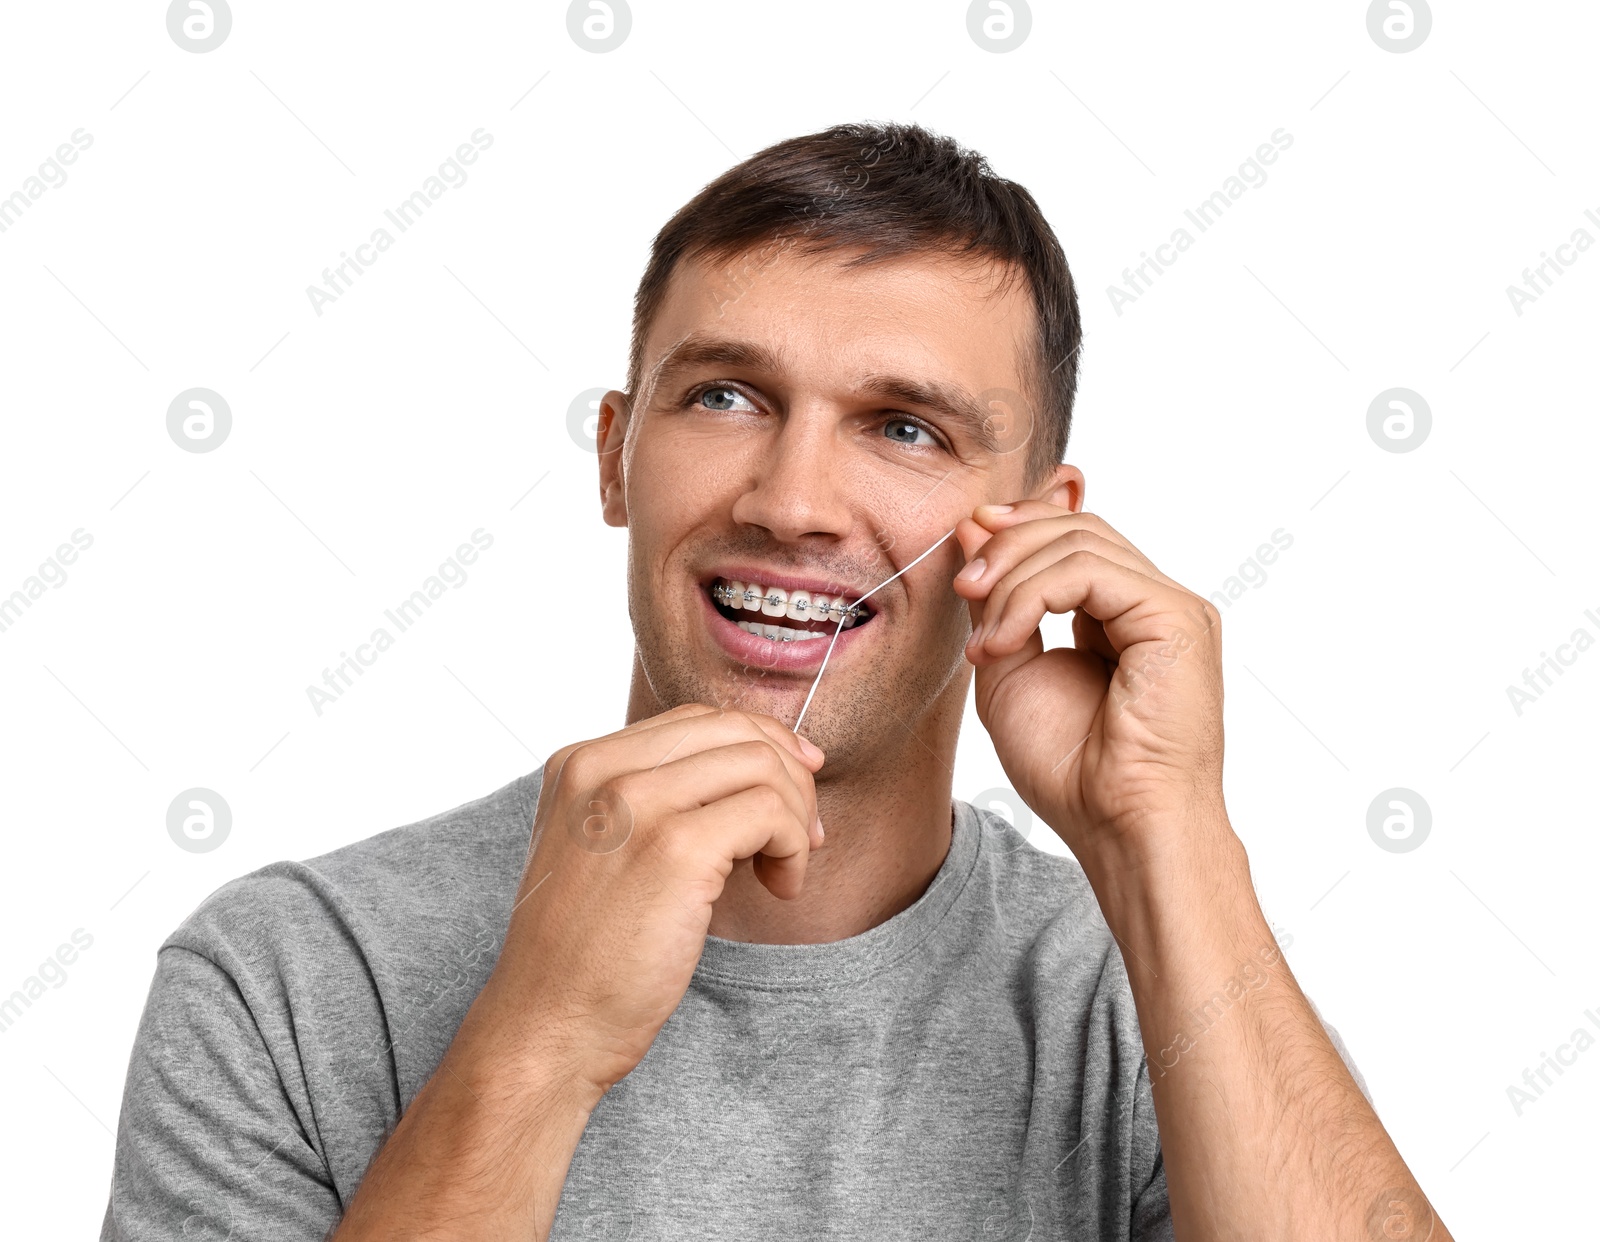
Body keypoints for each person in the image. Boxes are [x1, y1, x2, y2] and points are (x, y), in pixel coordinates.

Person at [100, 121, 1450, 1241]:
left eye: (904, 427)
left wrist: (1168, 834)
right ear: (616, 456)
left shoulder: (1156, 1000)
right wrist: (539, 1038)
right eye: (728, 398)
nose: (795, 501)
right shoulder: (286, 979)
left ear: (1038, 527)